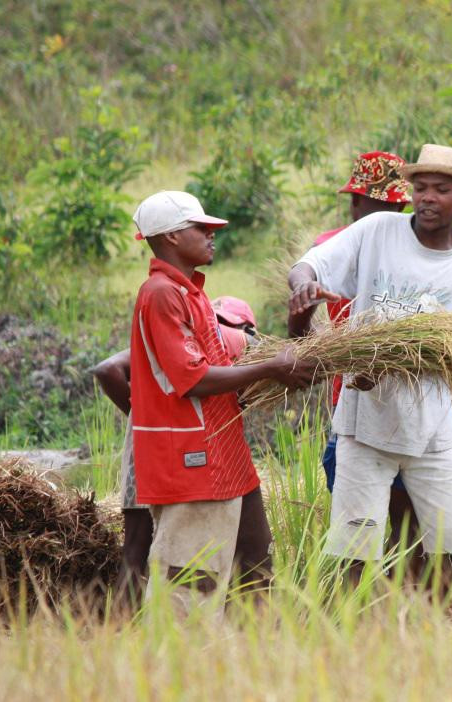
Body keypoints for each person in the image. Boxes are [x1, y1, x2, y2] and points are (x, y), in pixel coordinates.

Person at [287, 144, 452, 597]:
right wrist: (303, 284)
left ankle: (421, 625)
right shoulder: (377, 230)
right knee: (353, 549)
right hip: (364, 426)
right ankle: (356, 632)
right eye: (420, 187)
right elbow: (310, 264)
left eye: (441, 189)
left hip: (434, 428)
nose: (428, 198)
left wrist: (380, 361)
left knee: (450, 544)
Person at [129, 190, 315, 612]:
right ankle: (179, 666)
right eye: (202, 228)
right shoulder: (160, 293)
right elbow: (191, 377)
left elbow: (214, 367)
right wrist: (271, 369)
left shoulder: (191, 293)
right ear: (173, 237)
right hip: (192, 459)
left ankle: (251, 663)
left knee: (256, 568)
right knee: (189, 586)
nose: (213, 235)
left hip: (225, 454)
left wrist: (270, 374)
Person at [288, 150, 424, 573]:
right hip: (354, 409)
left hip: (415, 411)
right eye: (379, 207)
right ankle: (368, 614)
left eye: (394, 208)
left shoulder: (422, 246)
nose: (386, 217)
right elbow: (304, 334)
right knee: (364, 529)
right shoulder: (329, 252)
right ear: (355, 206)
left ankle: (404, 617)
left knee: (409, 527)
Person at [91, 296, 259, 605]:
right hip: (181, 454)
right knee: (199, 566)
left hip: (145, 443)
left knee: (135, 553)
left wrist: (147, 416)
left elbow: (108, 369)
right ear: (244, 325)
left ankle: (115, 635)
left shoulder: (186, 335)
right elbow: (108, 369)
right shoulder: (233, 340)